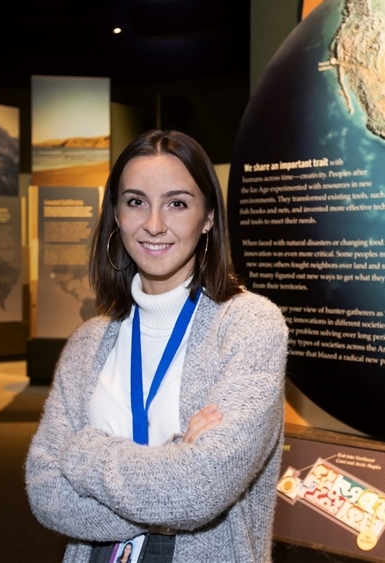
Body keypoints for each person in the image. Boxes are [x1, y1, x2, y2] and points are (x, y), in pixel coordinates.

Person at [26, 130, 288, 562]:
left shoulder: (249, 326)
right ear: (116, 214)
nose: (154, 224)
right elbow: (45, 491)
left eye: (177, 203)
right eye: (135, 202)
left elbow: (200, 489)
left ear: (207, 218)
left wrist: (82, 451)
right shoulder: (88, 342)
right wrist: (176, 457)